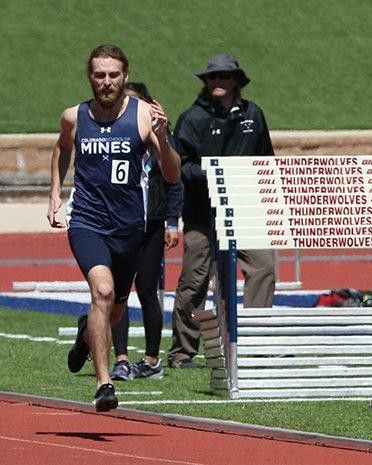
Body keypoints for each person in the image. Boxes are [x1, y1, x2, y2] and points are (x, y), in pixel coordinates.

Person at [49, 44, 180, 411]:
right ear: (90, 77)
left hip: (129, 230)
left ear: (124, 76)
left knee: (115, 309)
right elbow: (61, 149)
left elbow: (171, 173)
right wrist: (55, 193)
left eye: (113, 75)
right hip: (88, 222)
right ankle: (104, 384)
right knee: (103, 292)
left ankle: (85, 336)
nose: (106, 82)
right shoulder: (75, 117)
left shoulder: (143, 116)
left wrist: (164, 137)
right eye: (99, 75)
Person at [169, 53, 276, 369]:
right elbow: (180, 167)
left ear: (236, 82)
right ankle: (182, 353)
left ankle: (256, 342)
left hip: (244, 212)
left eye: (224, 77)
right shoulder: (192, 118)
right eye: (212, 77)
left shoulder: (253, 115)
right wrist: (213, 174)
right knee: (194, 281)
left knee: (264, 266)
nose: (217, 82)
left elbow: (265, 160)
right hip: (203, 214)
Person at [109, 82, 183, 381]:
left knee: (148, 291)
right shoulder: (115, 135)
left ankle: (152, 359)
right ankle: (122, 358)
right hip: (120, 224)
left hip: (151, 224)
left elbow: (174, 182)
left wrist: (172, 221)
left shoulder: (162, 139)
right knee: (118, 293)